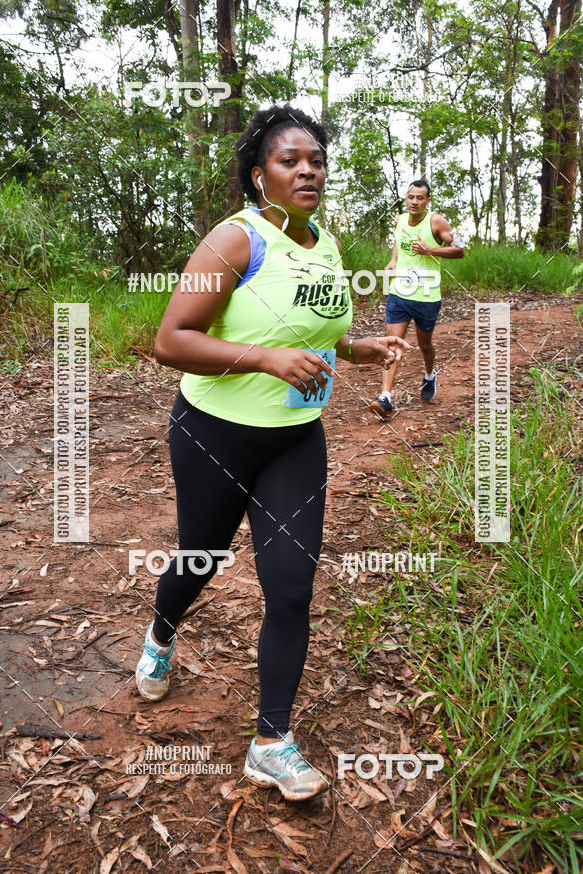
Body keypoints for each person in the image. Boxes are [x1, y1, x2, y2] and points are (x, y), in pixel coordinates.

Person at [135, 104, 410, 801]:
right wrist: (263, 359)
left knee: (290, 586)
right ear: (261, 177)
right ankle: (162, 631)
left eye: (316, 160)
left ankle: (271, 741)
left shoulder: (325, 242)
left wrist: (356, 348)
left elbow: (314, 327)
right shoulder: (234, 240)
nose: (308, 169)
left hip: (295, 439)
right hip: (213, 434)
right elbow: (171, 340)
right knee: (203, 556)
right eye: (290, 161)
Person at [369, 179, 465, 417]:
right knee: (392, 344)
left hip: (426, 296)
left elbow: (460, 250)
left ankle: (430, 374)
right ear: (406, 198)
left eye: (420, 197)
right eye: (411, 196)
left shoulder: (437, 222)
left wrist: (430, 250)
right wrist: (392, 261)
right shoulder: (399, 219)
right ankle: (385, 398)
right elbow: (398, 243)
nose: (414, 201)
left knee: (424, 344)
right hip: (399, 293)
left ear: (428, 200)